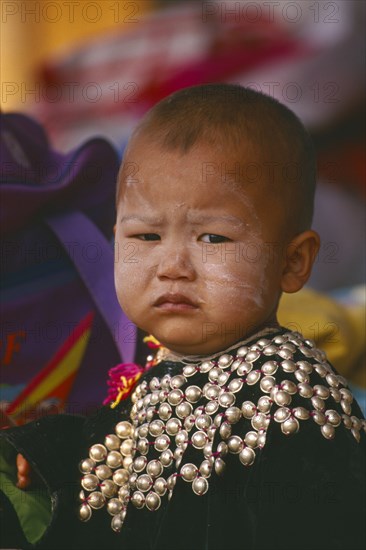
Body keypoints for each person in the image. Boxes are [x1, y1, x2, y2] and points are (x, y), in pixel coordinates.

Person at [1, 84, 365, 550]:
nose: (171, 266)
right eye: (146, 237)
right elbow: (117, 462)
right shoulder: (158, 367)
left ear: (293, 262)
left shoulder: (293, 401)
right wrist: (46, 454)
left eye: (212, 239)